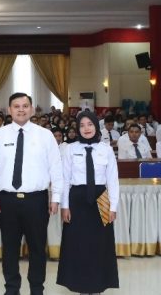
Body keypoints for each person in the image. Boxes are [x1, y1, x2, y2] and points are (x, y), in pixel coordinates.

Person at [0, 93, 63, 295]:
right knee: (9, 248)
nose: (21, 109)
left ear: (31, 109)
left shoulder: (45, 135)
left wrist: (56, 197)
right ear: (9, 110)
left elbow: (56, 168)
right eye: (16, 106)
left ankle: (37, 289)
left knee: (37, 248)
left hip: (36, 200)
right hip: (6, 201)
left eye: (25, 105)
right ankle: (12, 289)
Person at [58, 111, 119, 294]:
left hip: (102, 198)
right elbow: (64, 179)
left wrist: (113, 207)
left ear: (96, 126)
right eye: (82, 125)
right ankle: (80, 285)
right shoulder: (70, 149)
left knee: (101, 244)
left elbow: (113, 180)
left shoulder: (106, 149)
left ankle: (99, 284)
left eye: (90, 124)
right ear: (77, 128)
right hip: (77, 198)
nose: (86, 128)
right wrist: (64, 206)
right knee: (78, 244)